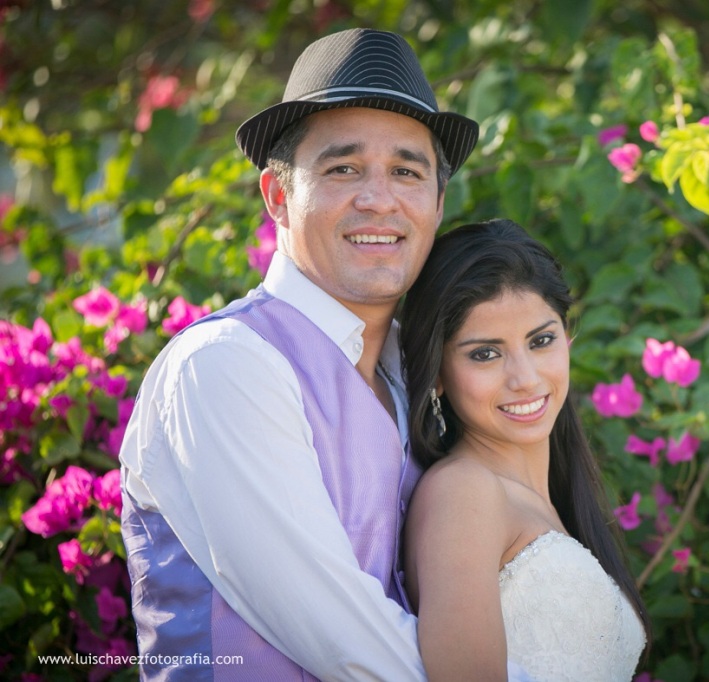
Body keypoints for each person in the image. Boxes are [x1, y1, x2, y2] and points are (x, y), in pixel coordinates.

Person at [119, 28, 529, 681]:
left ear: (437, 202)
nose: (379, 199)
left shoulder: (416, 371)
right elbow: (339, 633)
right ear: (277, 196)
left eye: (406, 171)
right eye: (342, 169)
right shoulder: (226, 365)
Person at [398, 218, 652, 681]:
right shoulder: (464, 492)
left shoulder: (550, 502)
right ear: (436, 371)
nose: (526, 378)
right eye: (485, 354)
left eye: (541, 340)